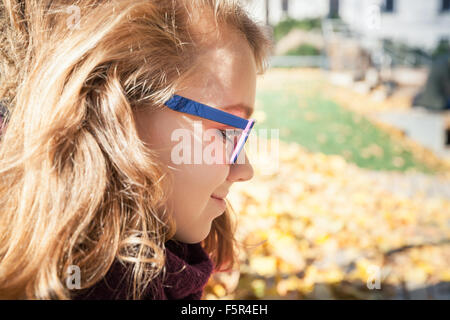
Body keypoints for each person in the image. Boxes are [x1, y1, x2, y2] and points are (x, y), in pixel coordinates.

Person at [0, 0, 272, 299]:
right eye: (225, 132)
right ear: (116, 114)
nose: (245, 170)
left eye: (242, 135)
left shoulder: (170, 257)